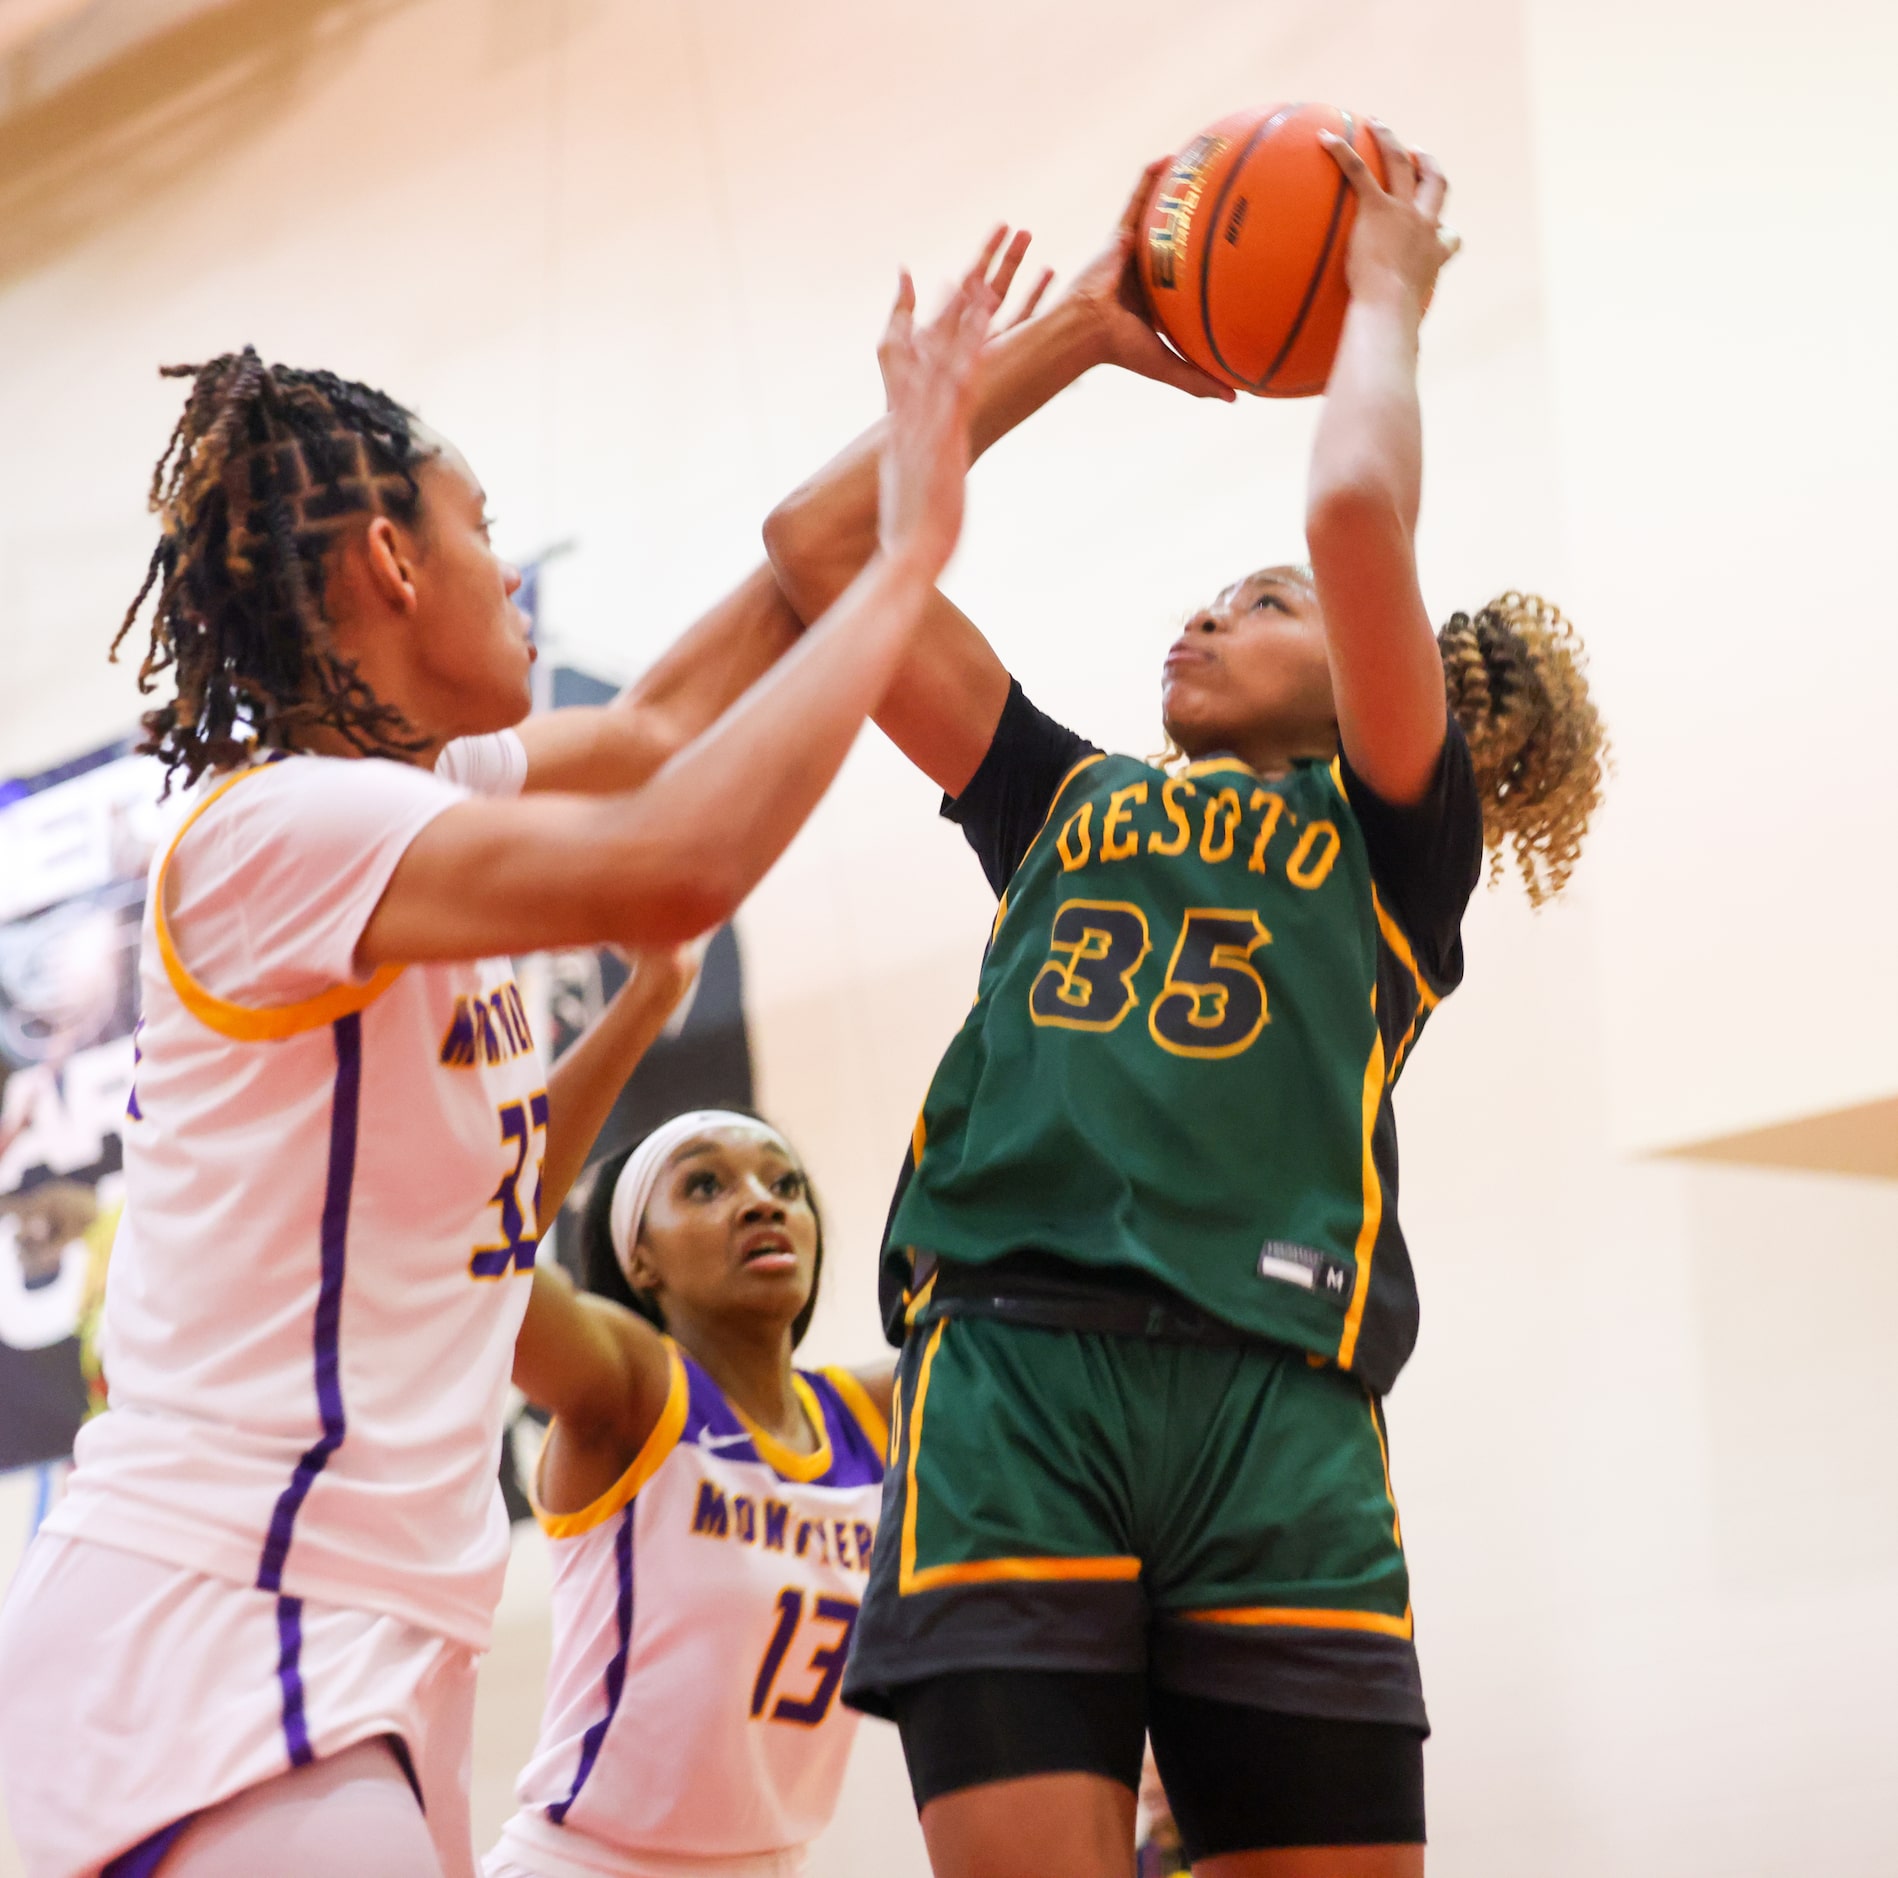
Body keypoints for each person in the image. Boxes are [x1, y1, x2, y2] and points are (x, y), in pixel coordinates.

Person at [0, 247, 1003, 1878]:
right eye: (485, 529)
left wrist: (1038, 359)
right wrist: (912, 567)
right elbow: (678, 849)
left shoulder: (426, 790)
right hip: (213, 1615)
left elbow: (672, 722)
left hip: (360, 1630)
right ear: (391, 559)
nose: (513, 575)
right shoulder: (284, 824)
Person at [763, 127, 1606, 1877]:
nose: (1204, 614)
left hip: (1273, 1394)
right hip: (1011, 1366)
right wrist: (1075, 329)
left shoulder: (1391, 840)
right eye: (1210, 594)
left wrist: (1382, 286)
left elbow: (1353, 508)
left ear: (1379, 676)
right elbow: (812, 545)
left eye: (1263, 605)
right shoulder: (1061, 798)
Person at [486, 1101, 892, 1878]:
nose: (761, 1200)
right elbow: (479, 1258)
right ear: (640, 1261)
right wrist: (648, 1001)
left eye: (787, 1184)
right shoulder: (636, 1390)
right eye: (705, 1185)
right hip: (588, 1864)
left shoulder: (872, 1415)